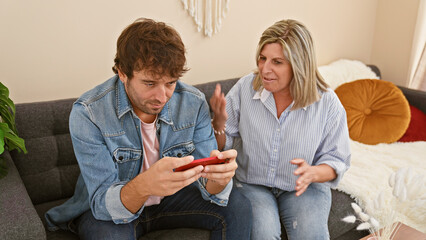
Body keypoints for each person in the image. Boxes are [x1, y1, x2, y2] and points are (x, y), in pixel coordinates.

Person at [45, 18, 252, 240]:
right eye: (150, 84)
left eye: (171, 83)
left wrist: (218, 180)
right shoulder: (89, 113)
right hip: (111, 209)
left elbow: (207, 184)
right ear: (123, 73)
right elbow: (102, 203)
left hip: (172, 199)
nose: (162, 97)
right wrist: (145, 185)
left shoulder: (194, 102)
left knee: (238, 206)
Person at [210, 19, 351, 239]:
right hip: (253, 184)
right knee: (263, 234)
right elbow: (221, 147)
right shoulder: (245, 89)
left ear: (299, 65)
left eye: (277, 62)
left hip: (304, 187)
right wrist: (218, 123)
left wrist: (313, 172)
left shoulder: (327, 103)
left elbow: (338, 160)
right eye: (262, 58)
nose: (265, 69)